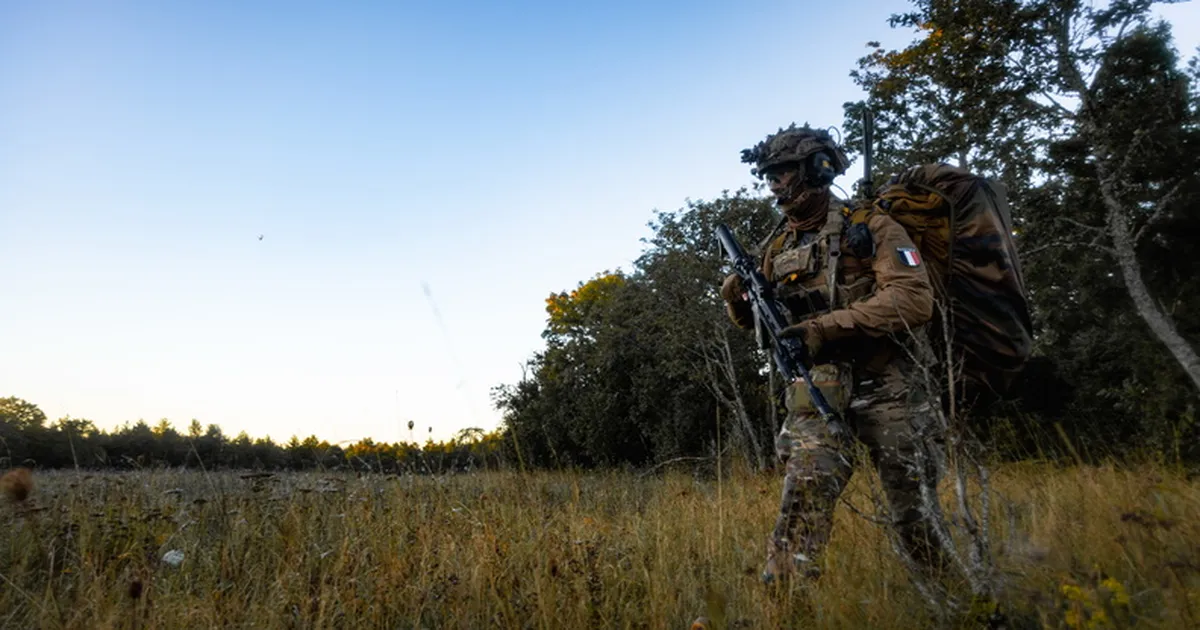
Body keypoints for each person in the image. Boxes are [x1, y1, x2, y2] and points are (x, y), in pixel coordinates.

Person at [722, 124, 947, 584]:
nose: (773, 184)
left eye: (783, 172)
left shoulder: (872, 226)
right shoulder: (777, 247)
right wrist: (736, 299)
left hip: (890, 384)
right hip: (818, 389)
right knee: (802, 502)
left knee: (915, 513)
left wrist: (822, 328)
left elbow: (913, 299)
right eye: (768, 175)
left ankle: (956, 599)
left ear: (818, 168)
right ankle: (786, 603)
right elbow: (757, 326)